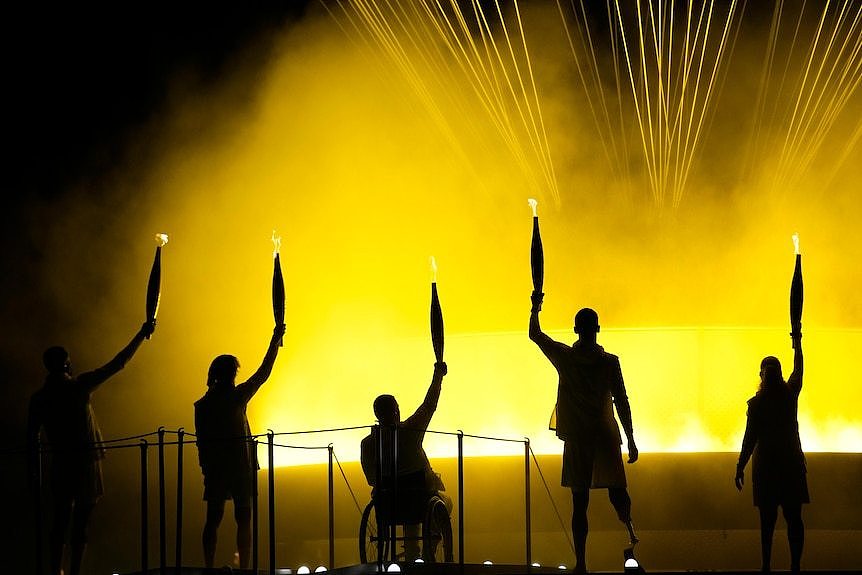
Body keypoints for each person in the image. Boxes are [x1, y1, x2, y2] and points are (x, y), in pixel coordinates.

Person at [27, 320, 156, 575]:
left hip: (61, 464)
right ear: (66, 363)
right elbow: (118, 363)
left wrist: (32, 472)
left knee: (60, 521)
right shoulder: (79, 386)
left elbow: (31, 437)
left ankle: (55, 570)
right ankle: (74, 570)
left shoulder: (39, 398)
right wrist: (141, 334)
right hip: (86, 464)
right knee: (81, 523)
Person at [529, 294, 638, 574]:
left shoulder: (566, 358)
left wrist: (536, 306)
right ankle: (631, 535)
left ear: (576, 330)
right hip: (604, 437)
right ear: (597, 329)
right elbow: (622, 401)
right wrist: (632, 439)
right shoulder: (609, 362)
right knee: (617, 491)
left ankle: (581, 562)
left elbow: (535, 334)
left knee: (580, 503)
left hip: (578, 439)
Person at [194, 322, 285, 569]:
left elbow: (200, 442)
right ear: (230, 374)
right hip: (240, 467)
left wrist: (205, 467)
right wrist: (275, 340)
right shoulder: (235, 397)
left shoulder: (202, 405)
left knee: (213, 517)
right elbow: (263, 373)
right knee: (243, 517)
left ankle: (209, 565)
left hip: (215, 468)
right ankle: (245, 567)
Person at [360, 361, 451, 561]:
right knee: (443, 503)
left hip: (387, 504)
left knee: (405, 501)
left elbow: (370, 479)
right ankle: (430, 547)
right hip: (420, 501)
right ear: (396, 411)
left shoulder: (367, 444)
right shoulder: (411, 431)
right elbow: (429, 405)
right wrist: (438, 376)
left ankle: (410, 552)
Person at [735, 332, 807, 573]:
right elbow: (798, 371)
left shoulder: (757, 404)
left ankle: (767, 566)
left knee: (768, 522)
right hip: (789, 465)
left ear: (761, 376)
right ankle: (794, 565)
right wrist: (797, 343)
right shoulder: (788, 396)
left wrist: (740, 467)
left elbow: (749, 439)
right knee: (793, 519)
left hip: (767, 468)